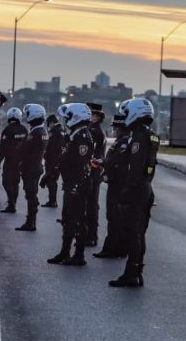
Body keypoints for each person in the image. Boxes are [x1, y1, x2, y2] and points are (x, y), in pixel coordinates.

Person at [109, 98, 160, 288]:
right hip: (146, 188)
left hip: (136, 190)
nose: (125, 117)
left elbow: (135, 169)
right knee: (139, 233)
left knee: (133, 233)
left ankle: (131, 274)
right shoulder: (150, 135)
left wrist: (126, 193)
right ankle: (136, 272)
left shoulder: (138, 137)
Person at [42, 103, 94, 266]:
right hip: (71, 182)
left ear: (76, 118)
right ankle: (65, 252)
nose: (66, 121)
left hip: (78, 184)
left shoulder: (83, 137)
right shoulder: (75, 135)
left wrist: (75, 186)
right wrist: (50, 174)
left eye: (69, 117)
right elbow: (64, 158)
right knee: (68, 218)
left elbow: (78, 163)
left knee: (77, 219)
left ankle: (79, 255)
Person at [93, 101, 130, 259]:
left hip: (117, 185)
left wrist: (102, 163)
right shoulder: (122, 142)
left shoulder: (122, 144)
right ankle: (119, 247)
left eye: (116, 127)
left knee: (114, 217)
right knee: (117, 218)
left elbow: (115, 163)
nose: (114, 129)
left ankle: (112, 248)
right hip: (118, 184)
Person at [16, 103, 48, 231]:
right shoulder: (42, 131)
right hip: (36, 166)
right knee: (31, 194)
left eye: (28, 114)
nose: (26, 116)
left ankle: (31, 222)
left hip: (31, 168)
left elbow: (23, 149)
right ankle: (31, 221)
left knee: (31, 195)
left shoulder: (35, 133)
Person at [0, 106, 28, 213]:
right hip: (21, 161)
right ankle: (13, 202)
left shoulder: (7, 130)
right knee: (15, 182)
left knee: (6, 182)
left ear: (9, 117)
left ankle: (11, 203)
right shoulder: (24, 130)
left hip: (10, 161)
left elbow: (3, 147)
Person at [84, 102, 107, 247]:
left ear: (99, 117)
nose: (92, 117)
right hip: (93, 171)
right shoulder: (91, 129)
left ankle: (91, 235)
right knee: (89, 205)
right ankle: (89, 234)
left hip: (92, 171)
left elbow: (92, 155)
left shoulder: (95, 132)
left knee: (90, 205)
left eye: (94, 115)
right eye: (90, 114)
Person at [41, 113, 64, 208]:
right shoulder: (61, 130)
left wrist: (46, 156)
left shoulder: (55, 131)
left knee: (51, 181)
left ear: (51, 123)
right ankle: (52, 200)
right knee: (52, 180)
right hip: (57, 160)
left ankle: (52, 201)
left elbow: (53, 148)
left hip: (53, 160)